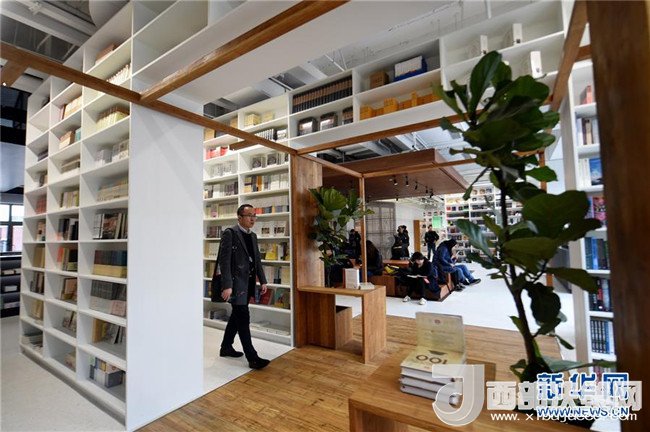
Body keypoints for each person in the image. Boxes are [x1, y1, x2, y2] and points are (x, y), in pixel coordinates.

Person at [217, 204, 271, 370]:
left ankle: (226, 347)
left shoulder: (252, 236)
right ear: (239, 217)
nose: (253, 219)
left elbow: (257, 260)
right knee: (243, 318)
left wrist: (263, 280)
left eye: (254, 215)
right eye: (249, 216)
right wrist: (227, 285)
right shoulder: (230, 233)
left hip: (248, 284)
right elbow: (224, 261)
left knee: (237, 316)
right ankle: (252, 357)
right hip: (235, 285)